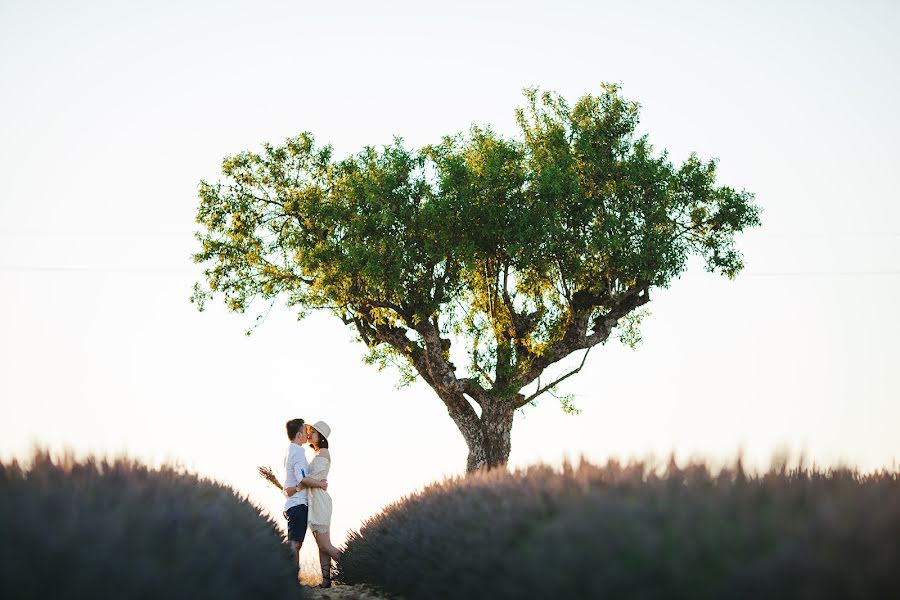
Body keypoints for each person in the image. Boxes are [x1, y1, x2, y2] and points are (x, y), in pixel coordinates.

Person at [259, 418, 329, 583]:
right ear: (299, 434)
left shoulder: (291, 450)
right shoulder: (298, 452)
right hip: (298, 504)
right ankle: (291, 580)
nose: (307, 434)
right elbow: (303, 478)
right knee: (295, 544)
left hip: (293, 503)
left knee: (295, 542)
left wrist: (292, 489)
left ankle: (291, 579)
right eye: (305, 432)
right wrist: (320, 484)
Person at [305, 421, 340, 588]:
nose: (309, 434)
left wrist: (302, 478)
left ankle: (355, 566)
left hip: (319, 500)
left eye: (313, 432)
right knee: (321, 545)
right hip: (315, 500)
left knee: (325, 544)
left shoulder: (323, 452)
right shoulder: (318, 453)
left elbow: (313, 478)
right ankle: (326, 580)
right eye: (309, 431)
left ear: (322, 437)